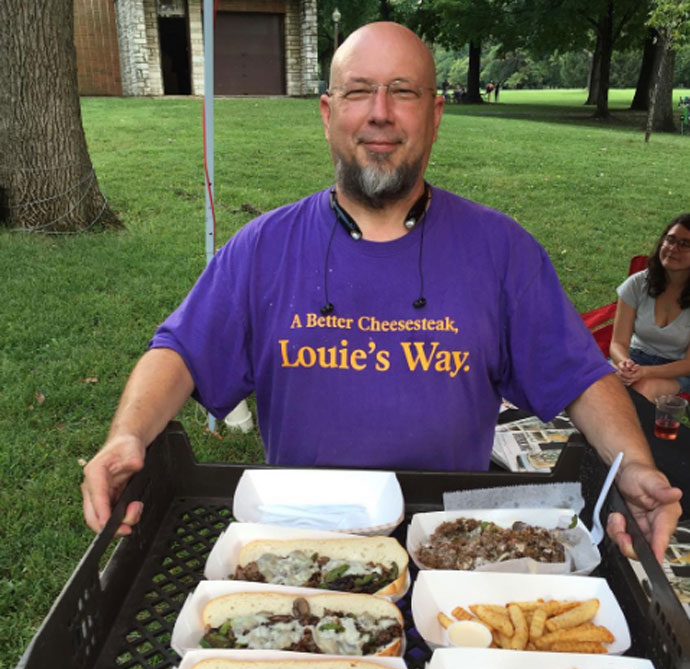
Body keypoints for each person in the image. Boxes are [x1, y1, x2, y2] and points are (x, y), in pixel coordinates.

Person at [82, 22, 681, 564]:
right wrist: (127, 437)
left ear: (435, 114)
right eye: (359, 91)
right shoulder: (263, 246)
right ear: (326, 112)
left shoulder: (501, 250)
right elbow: (180, 351)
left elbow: (580, 374)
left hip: (451, 543)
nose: (380, 112)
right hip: (300, 539)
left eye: (403, 91)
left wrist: (637, 469)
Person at [610, 214, 690, 402]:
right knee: (598, 384)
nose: (673, 248)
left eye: (685, 244)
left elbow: (688, 364)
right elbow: (618, 343)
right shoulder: (638, 284)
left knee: (642, 390)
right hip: (634, 358)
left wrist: (644, 373)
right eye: (670, 240)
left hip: (675, 369)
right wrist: (624, 363)